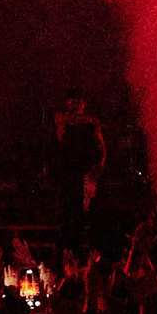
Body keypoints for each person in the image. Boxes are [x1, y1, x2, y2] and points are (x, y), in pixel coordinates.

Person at [48, 91, 104, 246]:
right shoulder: (63, 119)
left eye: (79, 101)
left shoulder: (91, 122)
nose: (76, 105)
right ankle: (70, 242)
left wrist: (100, 164)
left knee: (88, 206)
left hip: (88, 169)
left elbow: (100, 144)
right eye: (72, 101)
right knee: (71, 207)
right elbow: (60, 138)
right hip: (70, 170)